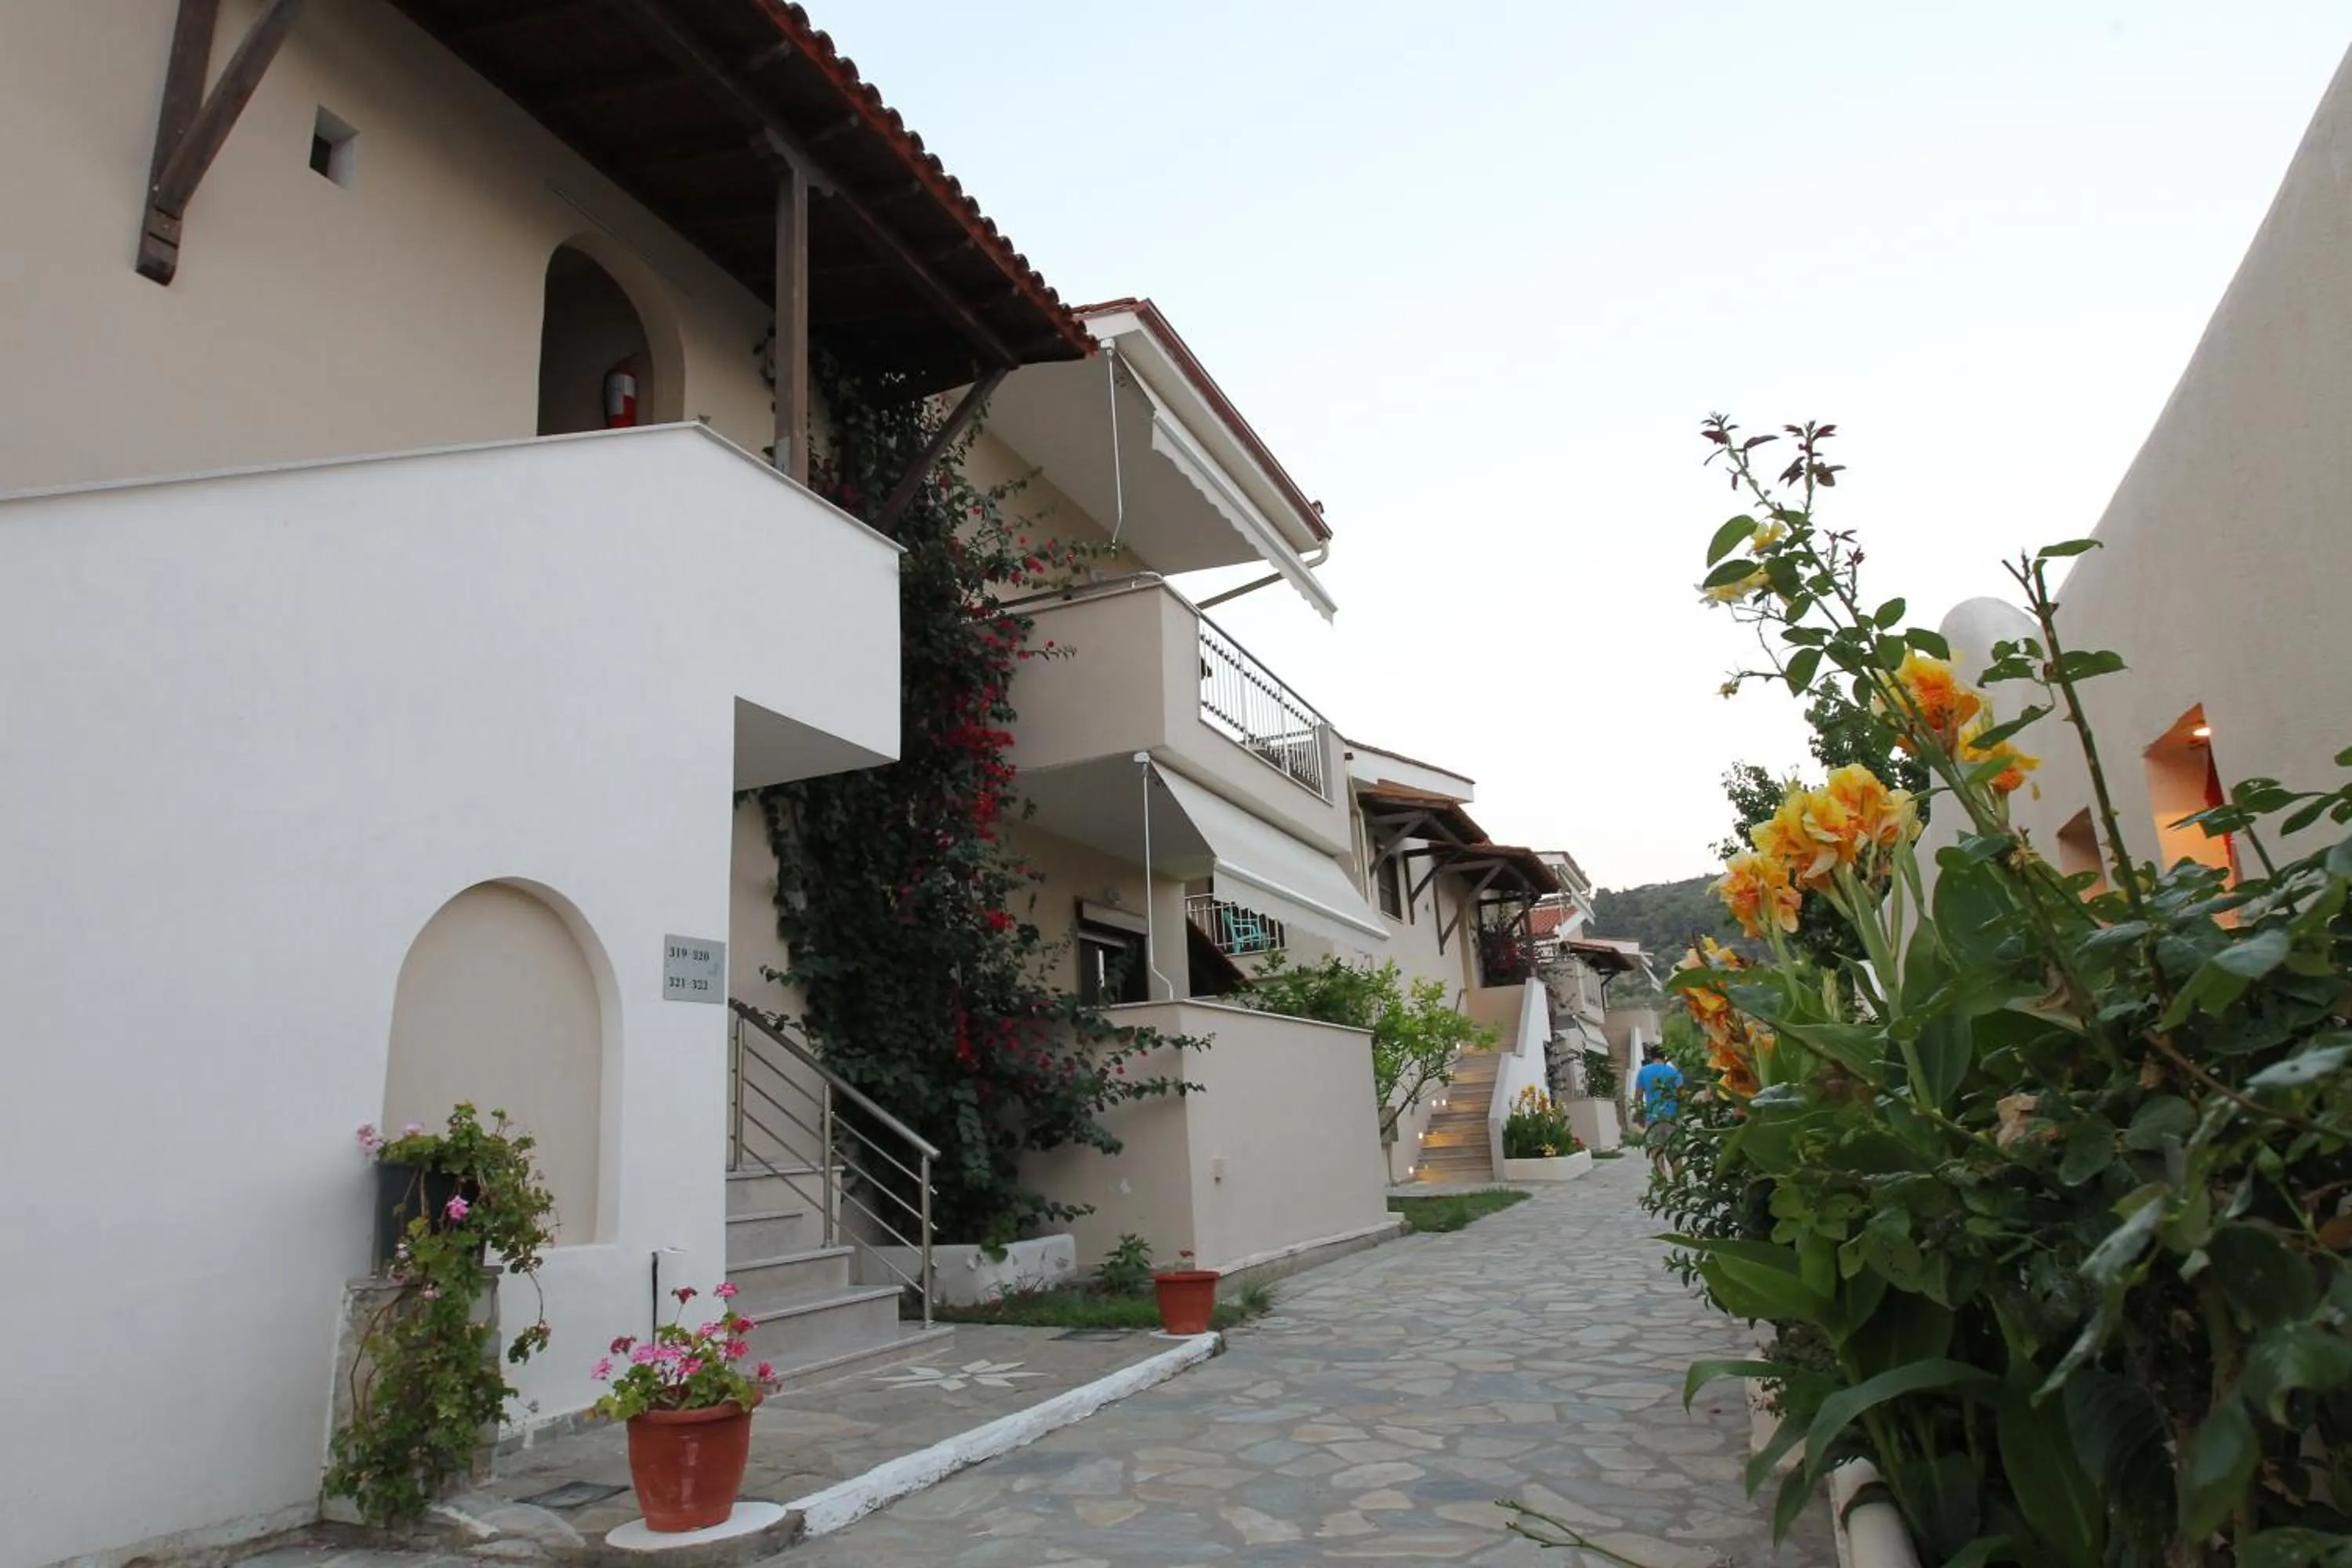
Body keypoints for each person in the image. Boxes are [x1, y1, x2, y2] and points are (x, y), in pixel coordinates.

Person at [1632, 1044, 1684, 1174]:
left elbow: (1638, 1097)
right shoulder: (1674, 1071)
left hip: (1653, 1118)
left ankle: (1662, 1179)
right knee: (1675, 1152)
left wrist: (1640, 1114)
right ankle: (1679, 1180)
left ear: (1651, 1056)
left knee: (1656, 1151)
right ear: (1665, 1056)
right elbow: (1682, 1095)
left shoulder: (1643, 1072)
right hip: (1672, 1117)